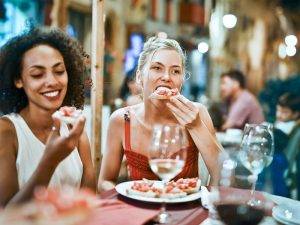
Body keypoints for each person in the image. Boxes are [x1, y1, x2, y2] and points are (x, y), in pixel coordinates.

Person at [98, 36, 221, 191]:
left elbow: (224, 177)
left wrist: (196, 126)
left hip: (186, 212)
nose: (166, 77)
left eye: (175, 71)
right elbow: (104, 182)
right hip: (139, 212)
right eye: (157, 68)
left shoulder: (198, 113)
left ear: (181, 81)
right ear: (139, 77)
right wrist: (127, 196)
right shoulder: (121, 120)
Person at [0, 27, 96, 206]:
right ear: (18, 80)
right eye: (37, 74)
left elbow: (88, 201)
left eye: (59, 71)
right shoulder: (6, 131)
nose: (52, 81)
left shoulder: (76, 131)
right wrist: (50, 160)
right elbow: (6, 215)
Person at [276, 93, 300, 199]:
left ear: (295, 114)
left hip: (285, 176)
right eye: (278, 110)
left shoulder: (288, 128)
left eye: (284, 112)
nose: (279, 115)